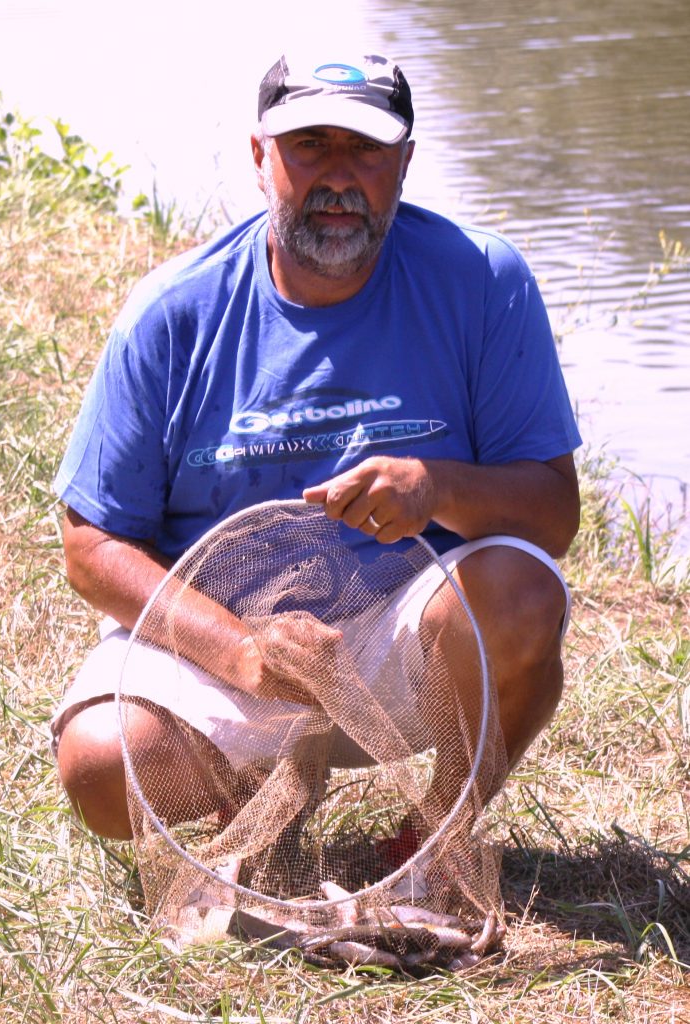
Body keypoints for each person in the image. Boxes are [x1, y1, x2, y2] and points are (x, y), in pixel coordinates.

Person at [51, 51, 581, 845]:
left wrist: (437, 489)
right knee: (100, 765)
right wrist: (238, 652)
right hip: (221, 644)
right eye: (310, 146)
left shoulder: (481, 280)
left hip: (399, 648)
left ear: (404, 161)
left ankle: (429, 842)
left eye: (365, 149)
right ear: (261, 156)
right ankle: (258, 792)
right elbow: (89, 546)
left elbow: (552, 514)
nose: (339, 176)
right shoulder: (170, 312)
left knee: (521, 593)